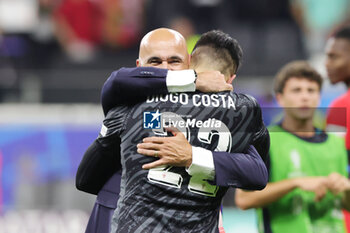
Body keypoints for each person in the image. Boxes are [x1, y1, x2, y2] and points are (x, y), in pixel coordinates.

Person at [79, 29, 269, 232]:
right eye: (155, 62)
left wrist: (193, 156)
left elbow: (257, 172)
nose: (164, 70)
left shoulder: (220, 114)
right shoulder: (129, 102)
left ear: (189, 63)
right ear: (139, 66)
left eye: (173, 61)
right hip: (119, 210)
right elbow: (86, 179)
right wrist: (193, 80)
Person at [235, 61, 350, 233]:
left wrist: (346, 188)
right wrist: (296, 183)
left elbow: (346, 205)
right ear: (280, 97)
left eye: (311, 90)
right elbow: (243, 199)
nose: (305, 97)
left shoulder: (337, 143)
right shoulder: (264, 140)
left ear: (319, 97)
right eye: (297, 90)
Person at [325, 25, 350, 233]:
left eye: (334, 57)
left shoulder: (339, 107)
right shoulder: (339, 106)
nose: (327, 64)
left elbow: (331, 164)